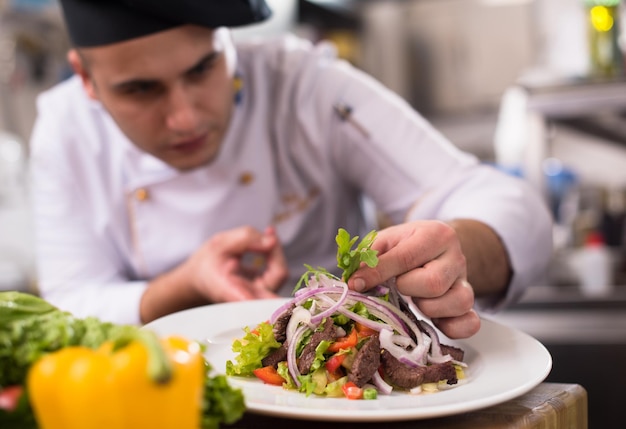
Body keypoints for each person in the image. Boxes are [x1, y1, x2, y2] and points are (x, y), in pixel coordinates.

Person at [29, 0, 553, 339]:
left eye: (203, 68)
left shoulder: (302, 86)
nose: (185, 116)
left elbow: (510, 206)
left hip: (341, 392)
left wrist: (453, 247)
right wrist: (184, 285)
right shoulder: (65, 131)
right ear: (87, 79)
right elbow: (70, 305)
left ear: (228, 44)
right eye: (140, 89)